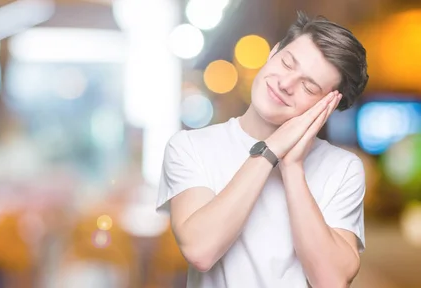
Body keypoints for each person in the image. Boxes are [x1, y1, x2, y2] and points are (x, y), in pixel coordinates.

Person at [157, 11, 369, 288]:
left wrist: (293, 167)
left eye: (308, 85)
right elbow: (200, 250)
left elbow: (331, 281)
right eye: (287, 63)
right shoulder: (189, 147)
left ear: (326, 106)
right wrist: (270, 151)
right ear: (274, 52)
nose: (285, 84)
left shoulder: (343, 168)